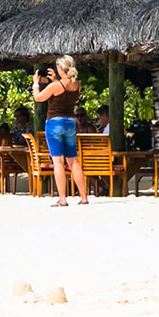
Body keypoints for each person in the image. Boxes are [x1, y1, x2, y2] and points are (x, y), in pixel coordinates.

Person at [34, 57, 92, 206]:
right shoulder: (76, 84)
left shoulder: (57, 86)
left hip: (54, 123)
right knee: (73, 160)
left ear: (61, 69)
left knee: (58, 161)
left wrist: (35, 83)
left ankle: (62, 198)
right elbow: (62, 92)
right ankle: (84, 197)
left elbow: (39, 98)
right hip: (69, 122)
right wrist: (54, 80)